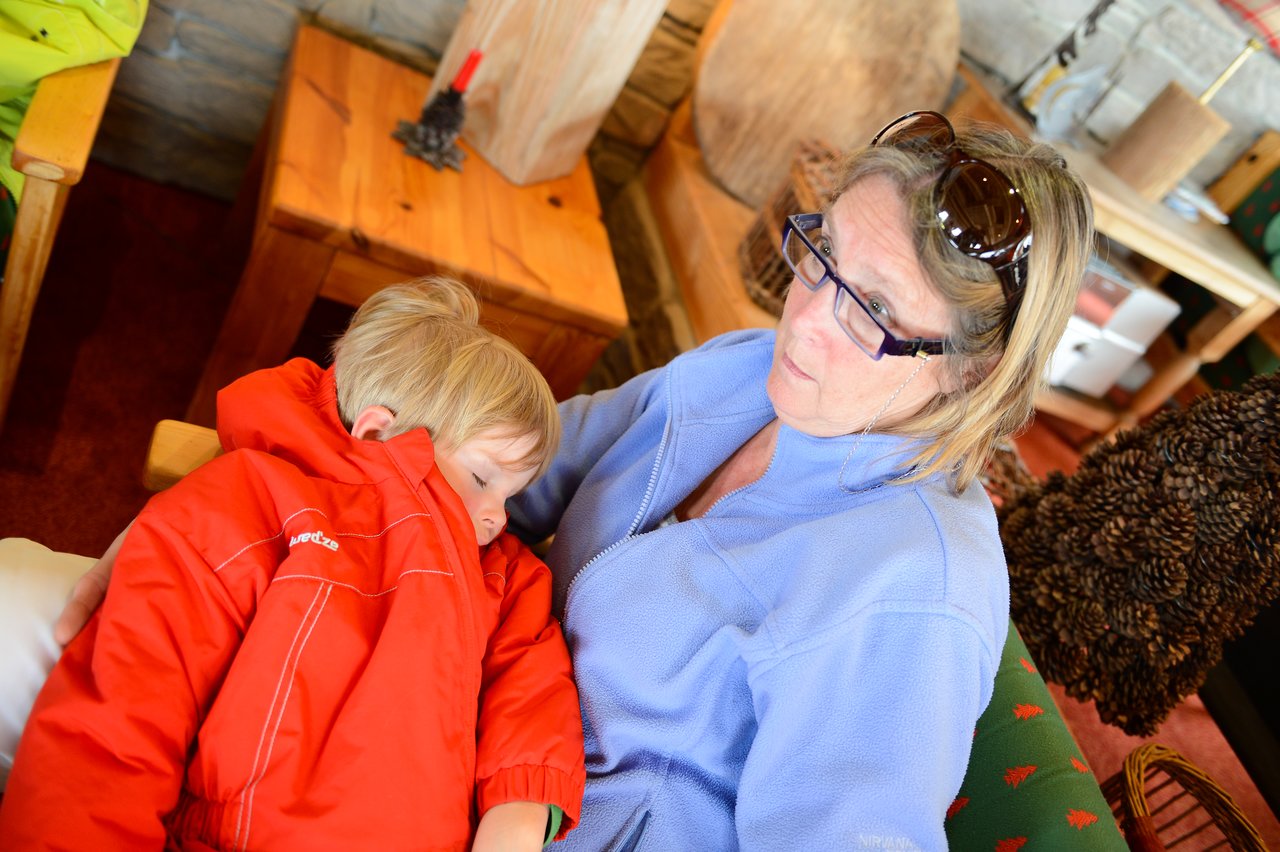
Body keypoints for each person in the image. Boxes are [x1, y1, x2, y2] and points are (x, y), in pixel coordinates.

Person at [15, 110, 1094, 848]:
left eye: (866, 311)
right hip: (392, 659)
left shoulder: (911, 595)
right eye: (816, 256)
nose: (804, 320)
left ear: (972, 369)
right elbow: (499, 458)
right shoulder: (740, 375)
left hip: (501, 805)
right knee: (26, 598)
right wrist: (231, 496)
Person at [0, 277, 586, 850]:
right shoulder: (255, 503)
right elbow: (123, 718)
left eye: (513, 496)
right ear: (379, 432)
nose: (497, 518)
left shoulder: (505, 577)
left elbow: (532, 701)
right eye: (483, 479)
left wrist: (519, 814)